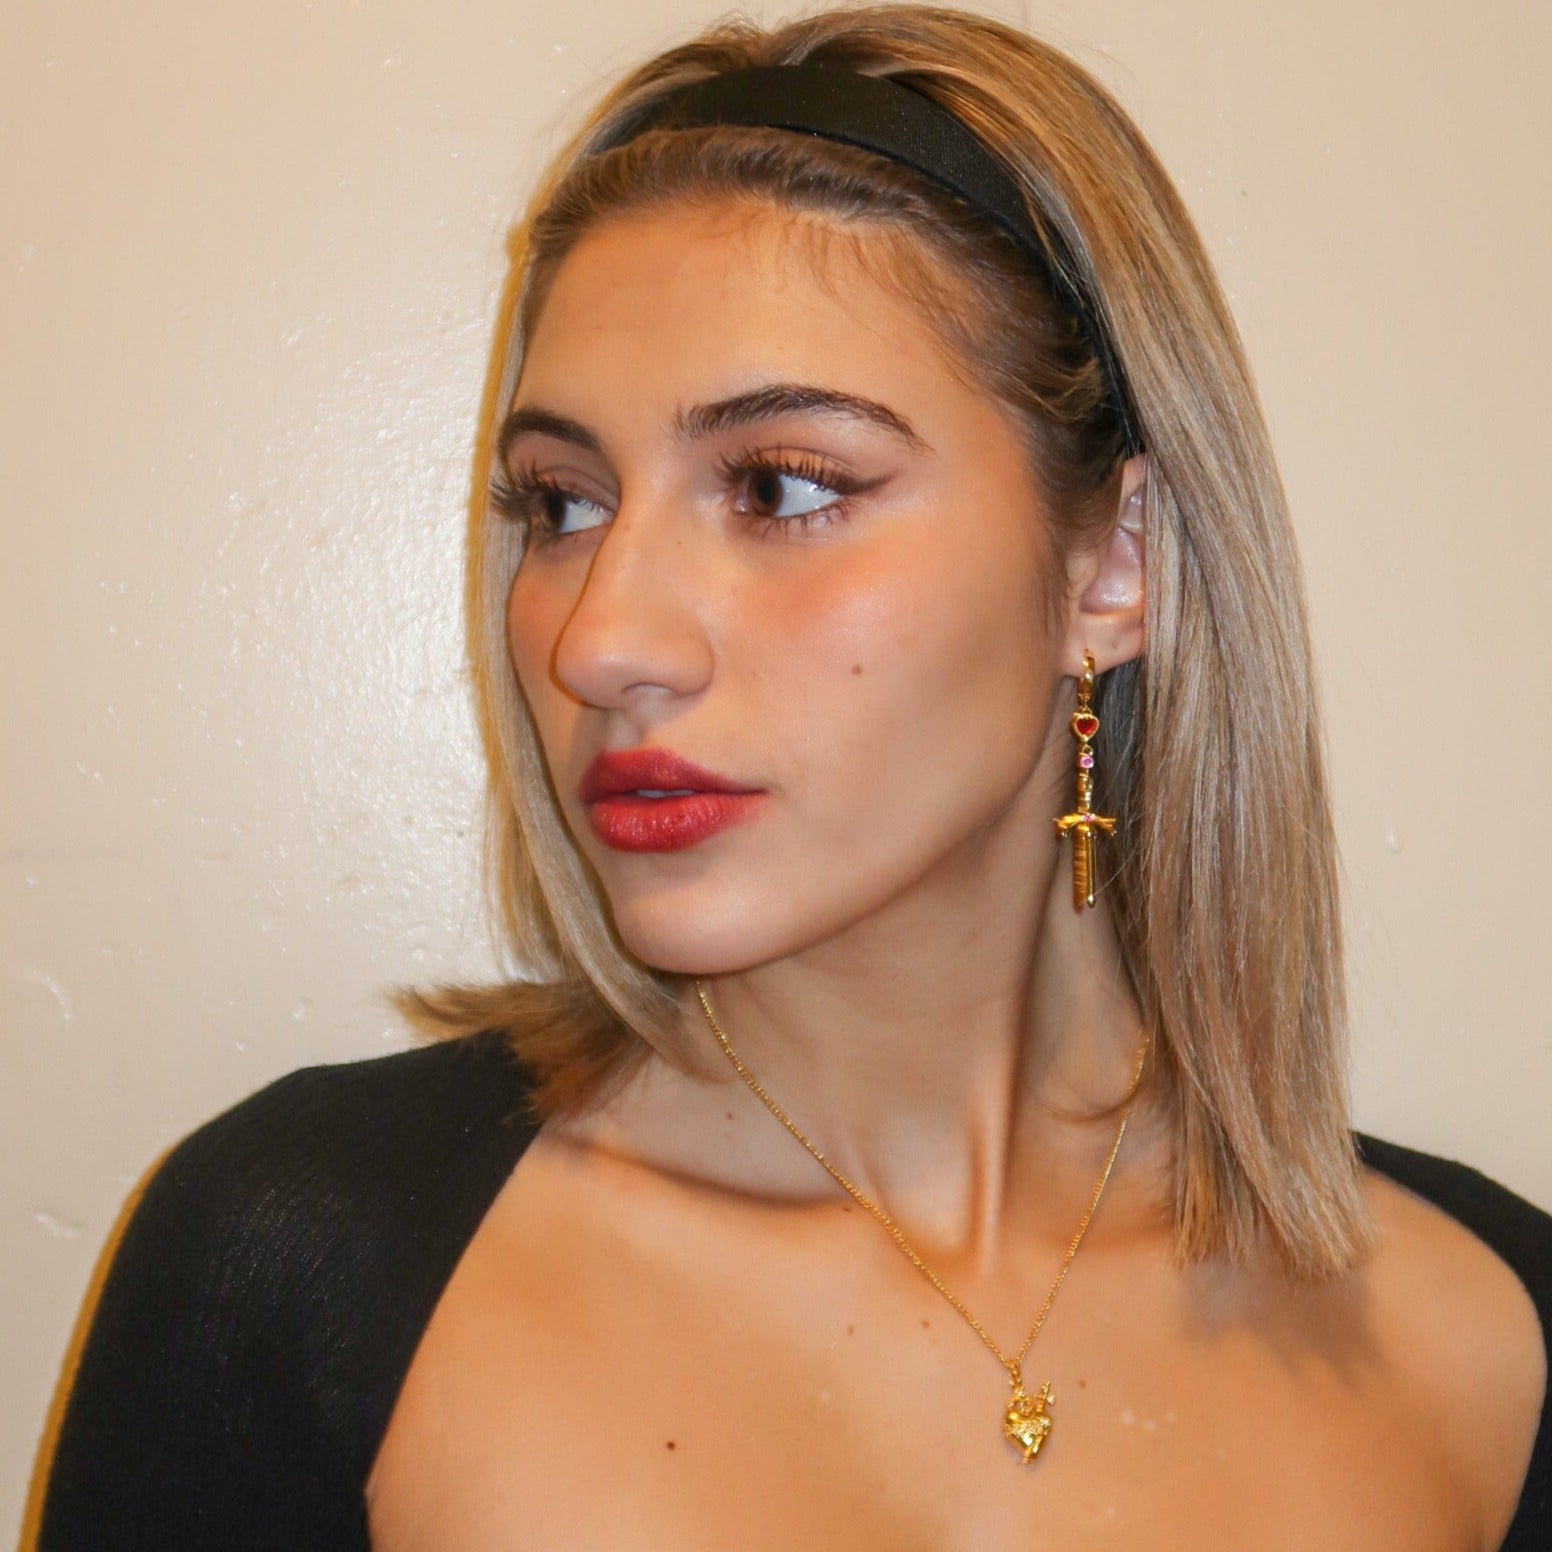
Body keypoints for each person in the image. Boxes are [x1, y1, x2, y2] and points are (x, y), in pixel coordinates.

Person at [34, 5, 1549, 1549]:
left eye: (780, 486)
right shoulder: (309, 1266)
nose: (602, 642)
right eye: (562, 505)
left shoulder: (1498, 1344)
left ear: (1115, 563)